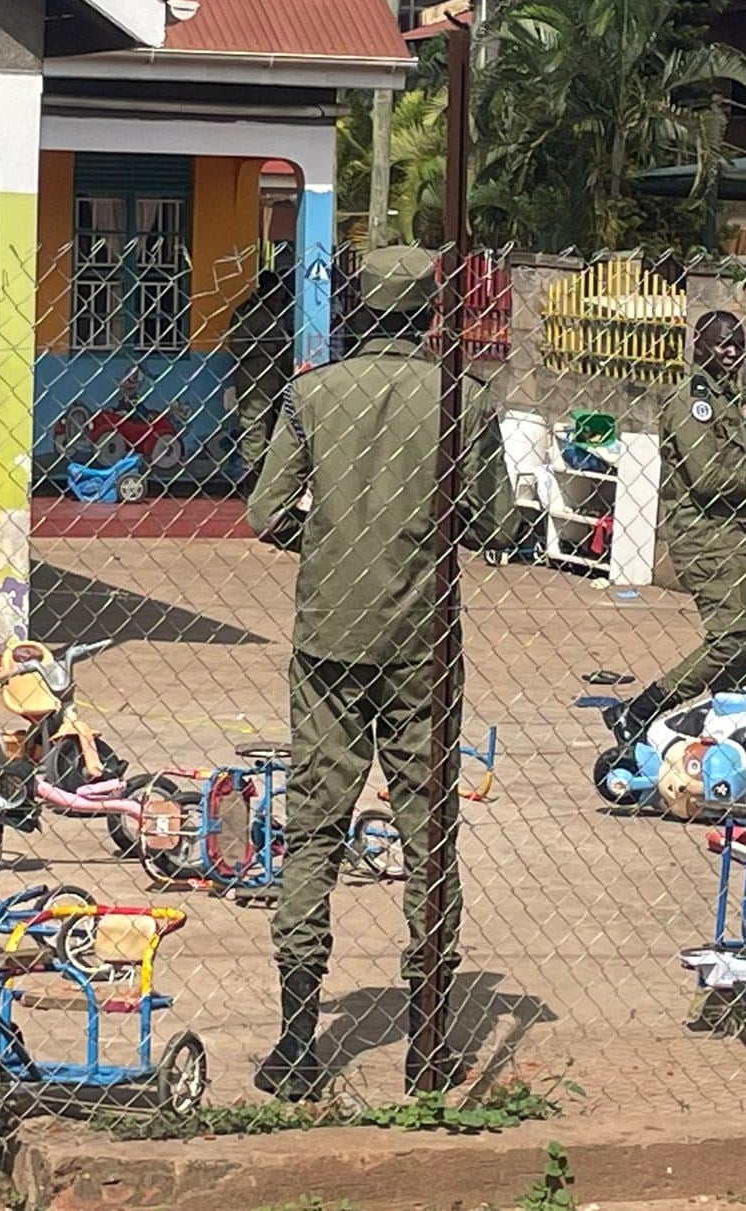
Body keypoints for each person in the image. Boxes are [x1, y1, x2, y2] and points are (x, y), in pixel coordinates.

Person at [245, 245, 520, 1098]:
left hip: (330, 634)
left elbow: (263, 513)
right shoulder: (460, 398)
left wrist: (325, 545)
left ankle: (297, 1037)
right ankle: (428, 1039)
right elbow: (501, 525)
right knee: (427, 831)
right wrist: (430, 539)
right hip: (422, 647)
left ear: (361, 311)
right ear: (430, 315)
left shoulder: (312, 395)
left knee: (314, 826)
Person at [604, 310, 746, 745]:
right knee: (728, 639)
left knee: (743, 643)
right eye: (721, 342)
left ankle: (724, 729)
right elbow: (706, 478)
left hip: (731, 532)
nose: (731, 350)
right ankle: (639, 711)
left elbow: (728, 472)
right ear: (699, 344)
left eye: (737, 342)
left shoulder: (726, 396)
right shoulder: (691, 400)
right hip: (704, 534)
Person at [226, 267, 296, 485]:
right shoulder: (248, 313)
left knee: (279, 426)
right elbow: (237, 347)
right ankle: (251, 475)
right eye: (274, 296)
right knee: (255, 427)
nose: (278, 301)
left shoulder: (276, 315)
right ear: (264, 291)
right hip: (255, 380)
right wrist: (266, 347)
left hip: (279, 379)